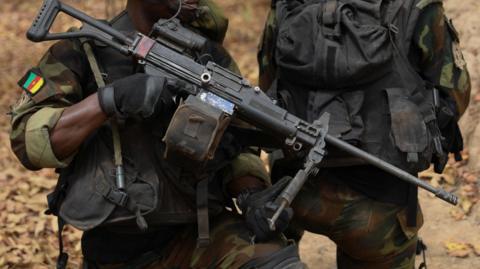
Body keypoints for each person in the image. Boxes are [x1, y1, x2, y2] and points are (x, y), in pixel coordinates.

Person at [10, 0, 303, 268]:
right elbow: (27, 138)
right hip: (116, 251)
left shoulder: (208, 58)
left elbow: (239, 145)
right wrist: (107, 101)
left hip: (199, 236)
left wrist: (250, 194)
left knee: (275, 260)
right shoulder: (85, 50)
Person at [258, 0, 471, 268]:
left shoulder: (286, 4)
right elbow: (455, 96)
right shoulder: (417, 6)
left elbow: (266, 85)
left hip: (292, 194)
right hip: (380, 205)